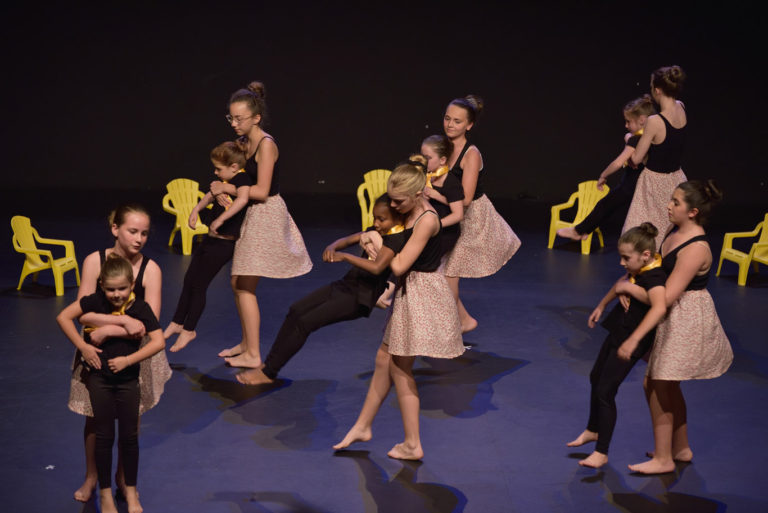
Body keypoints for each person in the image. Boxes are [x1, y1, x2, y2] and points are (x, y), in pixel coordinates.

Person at [333, 157, 464, 460]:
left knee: (400, 369)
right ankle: (363, 426)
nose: (393, 206)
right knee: (383, 359)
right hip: (411, 292)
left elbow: (400, 264)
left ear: (418, 194)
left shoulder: (426, 219)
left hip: (423, 295)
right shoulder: (409, 211)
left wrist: (377, 245)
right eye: (391, 199)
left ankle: (412, 443)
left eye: (398, 201)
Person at [616, 180, 733, 474]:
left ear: (693, 212)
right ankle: (680, 448)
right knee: (666, 384)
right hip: (672, 316)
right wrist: (633, 282)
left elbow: (667, 296)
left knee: (657, 383)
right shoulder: (673, 231)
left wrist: (629, 290)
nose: (669, 205)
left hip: (686, 319)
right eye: (671, 199)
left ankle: (663, 458)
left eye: (676, 202)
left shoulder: (696, 248)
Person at [235, 194, 406, 385]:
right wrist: (334, 246)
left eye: (381, 219)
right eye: (374, 218)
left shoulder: (395, 240)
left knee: (305, 322)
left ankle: (269, 373)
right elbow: (348, 239)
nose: (376, 223)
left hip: (360, 298)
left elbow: (377, 267)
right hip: (346, 285)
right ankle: (267, 366)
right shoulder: (375, 231)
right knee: (296, 310)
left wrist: (345, 257)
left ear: (397, 218)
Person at [68, 203, 170, 503]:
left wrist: (110, 329)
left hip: (135, 356)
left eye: (144, 233)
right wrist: (123, 322)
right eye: (132, 231)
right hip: (96, 352)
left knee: (130, 421)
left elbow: (149, 325)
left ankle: (125, 479)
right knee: (94, 418)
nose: (139, 239)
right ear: (115, 229)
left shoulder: (151, 269)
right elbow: (82, 314)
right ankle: (92, 477)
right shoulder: (94, 261)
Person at [213, 81, 312, 369]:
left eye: (239, 118)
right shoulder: (244, 143)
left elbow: (262, 190)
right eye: (231, 118)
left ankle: (253, 353)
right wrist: (218, 189)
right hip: (253, 213)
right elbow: (234, 175)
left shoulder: (266, 145)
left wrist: (228, 189)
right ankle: (246, 344)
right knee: (238, 283)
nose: (234, 124)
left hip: (266, 214)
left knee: (243, 284)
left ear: (256, 117)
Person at [566, 222, 667, 469]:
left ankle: (602, 452)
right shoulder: (639, 269)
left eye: (626, 258)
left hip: (632, 338)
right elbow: (620, 283)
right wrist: (601, 305)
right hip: (619, 330)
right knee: (595, 376)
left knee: (606, 391)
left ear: (645, 255)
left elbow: (659, 308)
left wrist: (634, 340)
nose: (622, 262)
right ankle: (593, 429)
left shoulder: (655, 277)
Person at [442, 95, 521, 333]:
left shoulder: (471, 154)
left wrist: (433, 195)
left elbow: (466, 198)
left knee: (449, 273)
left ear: (469, 125)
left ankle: (457, 324)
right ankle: (463, 320)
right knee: (442, 271)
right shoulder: (443, 147)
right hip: (451, 213)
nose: (450, 124)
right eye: (447, 118)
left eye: (457, 121)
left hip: (472, 219)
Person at [163, 141, 251, 352]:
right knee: (189, 280)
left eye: (219, 168)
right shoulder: (225, 180)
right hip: (211, 240)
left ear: (233, 166)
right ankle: (177, 322)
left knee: (200, 284)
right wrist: (195, 210)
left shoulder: (242, 179)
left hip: (224, 244)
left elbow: (242, 200)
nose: (215, 172)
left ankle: (189, 329)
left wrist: (221, 219)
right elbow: (210, 194)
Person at [556, 95, 656, 241]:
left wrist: (603, 175)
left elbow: (618, 163)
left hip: (631, 185)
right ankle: (585, 230)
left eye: (628, 121)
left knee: (605, 205)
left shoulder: (636, 139)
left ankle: (578, 231)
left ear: (642, 120)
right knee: (609, 206)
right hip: (641, 185)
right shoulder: (651, 138)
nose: (626, 125)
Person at [622, 66, 688, 249]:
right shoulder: (681, 107)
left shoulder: (655, 121)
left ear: (657, 90)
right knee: (661, 233)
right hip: (676, 180)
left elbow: (636, 159)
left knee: (638, 236)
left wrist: (629, 139)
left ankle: (645, 265)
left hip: (655, 183)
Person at [420, 135, 464, 258]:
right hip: (426, 227)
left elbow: (458, 215)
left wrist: (435, 226)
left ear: (442, 160)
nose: (423, 161)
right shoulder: (427, 176)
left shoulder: (451, 182)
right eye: (422, 157)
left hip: (444, 232)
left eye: (428, 158)